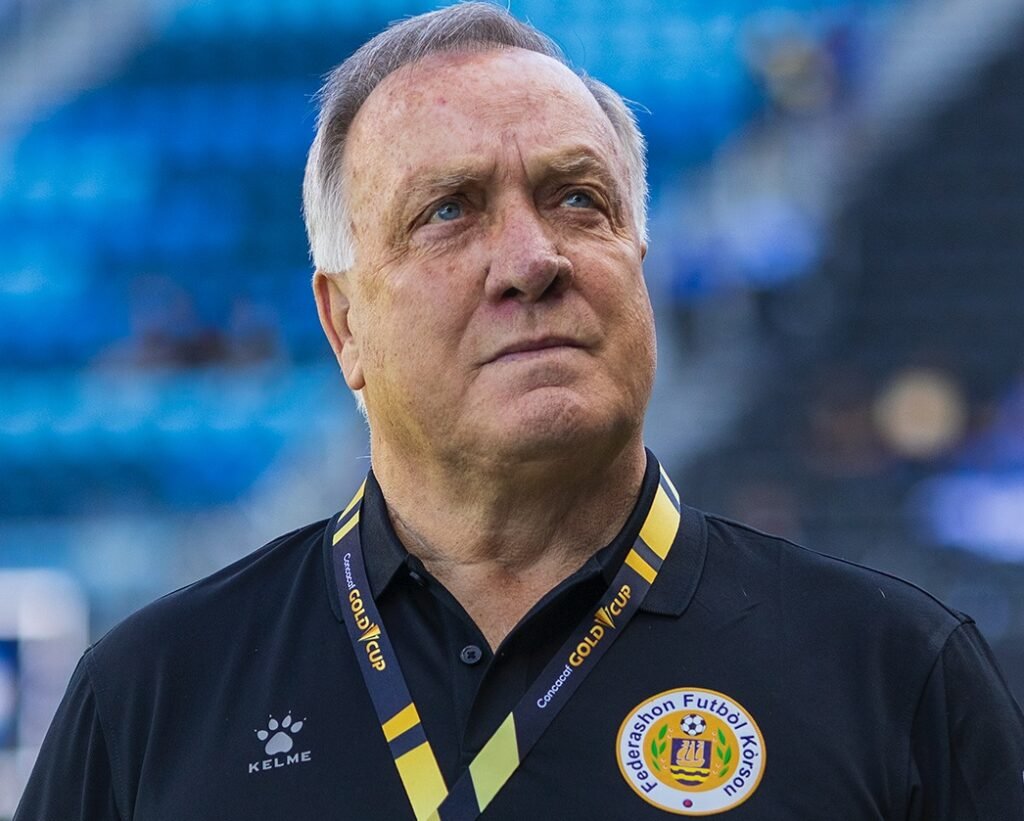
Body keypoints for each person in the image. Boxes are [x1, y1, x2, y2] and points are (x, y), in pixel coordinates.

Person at [16, 3, 1024, 819]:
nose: (532, 259)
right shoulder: (151, 694)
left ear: (639, 258)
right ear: (344, 323)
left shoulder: (896, 674)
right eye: (448, 210)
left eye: (578, 198)